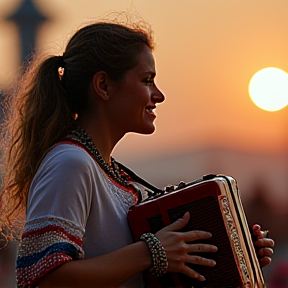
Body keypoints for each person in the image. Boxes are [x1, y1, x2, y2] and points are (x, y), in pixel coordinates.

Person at [0, 16, 274, 288]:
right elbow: (42, 277)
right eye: (147, 80)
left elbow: (127, 273)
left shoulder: (113, 173)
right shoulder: (70, 163)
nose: (159, 95)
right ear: (104, 86)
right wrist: (149, 251)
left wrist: (234, 252)